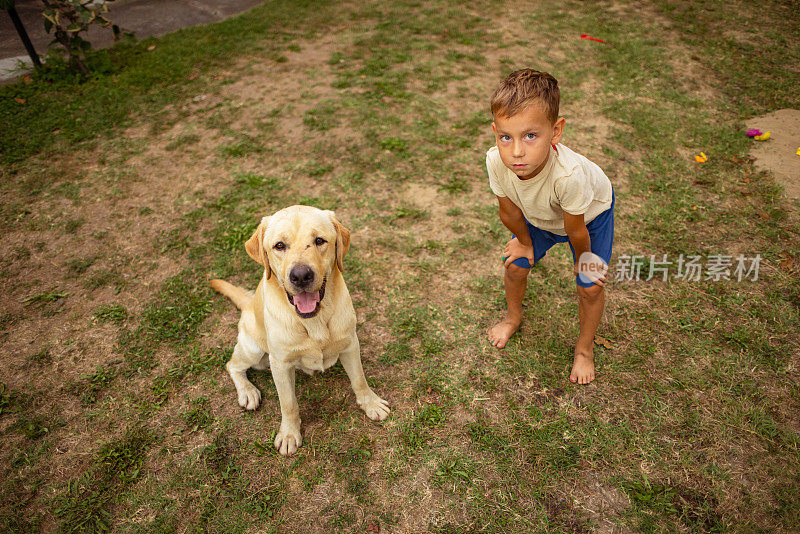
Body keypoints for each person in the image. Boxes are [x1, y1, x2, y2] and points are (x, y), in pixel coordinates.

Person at [485, 68, 614, 385]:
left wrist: (583, 260)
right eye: (506, 137)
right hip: (541, 216)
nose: (516, 151)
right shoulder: (494, 161)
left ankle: (584, 350)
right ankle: (513, 319)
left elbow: (576, 230)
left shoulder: (567, 176)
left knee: (591, 285)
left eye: (530, 136)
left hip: (588, 218)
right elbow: (509, 211)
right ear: (495, 133)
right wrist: (524, 241)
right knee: (515, 265)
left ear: (556, 131)